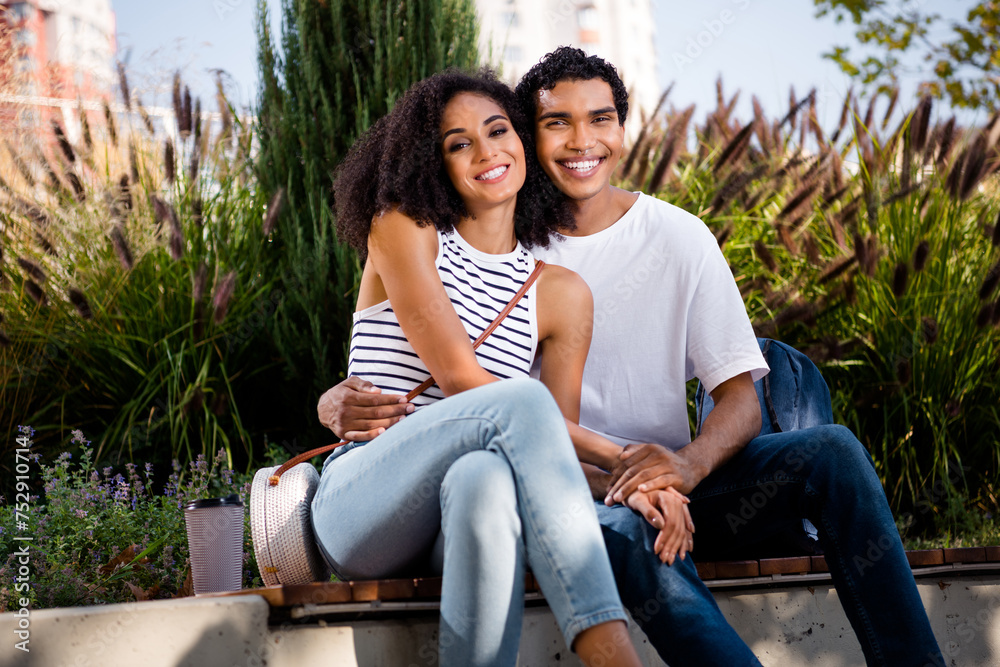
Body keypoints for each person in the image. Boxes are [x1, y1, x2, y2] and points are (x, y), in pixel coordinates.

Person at [319, 49, 945, 667]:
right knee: (616, 525)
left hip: (654, 481)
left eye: (599, 119)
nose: (580, 140)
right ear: (531, 139)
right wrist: (332, 400)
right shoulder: (467, 232)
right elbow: (451, 376)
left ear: (621, 129)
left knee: (833, 451)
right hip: (576, 496)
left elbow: (739, 398)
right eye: (555, 122)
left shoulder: (650, 248)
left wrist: (684, 469)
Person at [311, 68, 667, 667]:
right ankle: (611, 654)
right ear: (436, 163)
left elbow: (552, 463)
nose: (485, 152)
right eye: (458, 143)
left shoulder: (561, 294)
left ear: (522, 141)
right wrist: (623, 456)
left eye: (498, 130)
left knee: (486, 478)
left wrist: (642, 488)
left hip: (461, 514)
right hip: (365, 502)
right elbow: (460, 381)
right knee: (519, 404)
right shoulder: (404, 227)